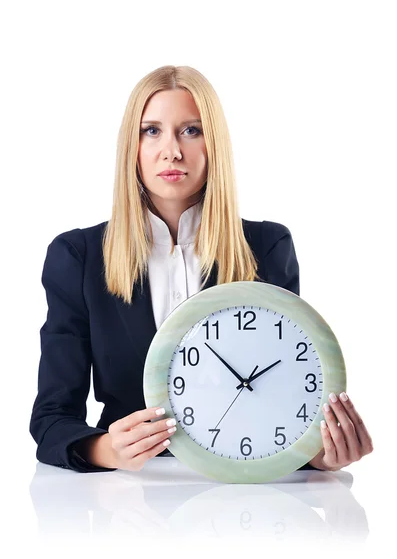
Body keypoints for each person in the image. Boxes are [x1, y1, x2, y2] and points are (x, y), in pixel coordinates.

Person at [29, 65, 373, 474]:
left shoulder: (266, 248)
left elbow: (284, 399)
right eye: (151, 131)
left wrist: (318, 453)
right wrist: (105, 449)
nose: (171, 150)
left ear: (215, 144)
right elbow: (50, 420)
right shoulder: (79, 256)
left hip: (248, 493)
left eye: (191, 130)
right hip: (128, 498)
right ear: (131, 146)